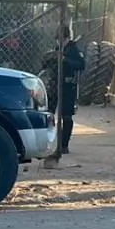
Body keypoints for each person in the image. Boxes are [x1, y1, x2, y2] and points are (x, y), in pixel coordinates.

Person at [43, 24, 85, 168]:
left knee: (66, 116)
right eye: (57, 40)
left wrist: (64, 59)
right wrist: (50, 57)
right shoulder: (56, 49)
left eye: (62, 40)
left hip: (67, 86)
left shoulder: (73, 50)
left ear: (67, 38)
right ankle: (45, 141)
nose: (59, 42)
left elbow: (81, 65)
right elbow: (45, 65)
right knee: (48, 114)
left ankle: (64, 145)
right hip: (54, 86)